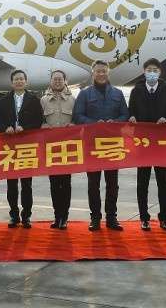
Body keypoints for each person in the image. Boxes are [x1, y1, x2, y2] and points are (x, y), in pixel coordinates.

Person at [72, 60, 129, 231]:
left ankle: (112, 217)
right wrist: (95, 123)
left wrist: (115, 122)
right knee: (93, 184)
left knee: (113, 184)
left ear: (108, 72)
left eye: (104, 71)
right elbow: (78, 116)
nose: (101, 74)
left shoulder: (118, 94)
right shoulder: (84, 94)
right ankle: (95, 218)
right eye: (98, 71)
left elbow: (125, 115)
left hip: (113, 144)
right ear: (93, 73)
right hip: (92, 144)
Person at [127, 58, 166, 231]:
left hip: (162, 143)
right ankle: (144, 218)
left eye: (155, 70)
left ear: (160, 72)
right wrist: (131, 117)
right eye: (149, 69)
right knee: (143, 182)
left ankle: (164, 218)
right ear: (144, 71)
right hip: (142, 143)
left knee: (163, 182)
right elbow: (130, 111)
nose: (152, 72)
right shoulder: (137, 90)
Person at [0, 69, 44, 228]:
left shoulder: (34, 99)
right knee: (11, 184)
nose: (19, 81)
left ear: (26, 82)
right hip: (9, 146)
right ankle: (14, 214)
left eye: (21, 79)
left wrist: (25, 128)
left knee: (26, 184)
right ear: (12, 82)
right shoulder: (3, 100)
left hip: (26, 146)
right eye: (16, 79)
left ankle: (26, 216)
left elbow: (38, 121)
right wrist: (6, 128)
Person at [41, 70, 74, 230]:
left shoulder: (73, 100)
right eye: (55, 79)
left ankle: (65, 217)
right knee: (54, 184)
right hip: (51, 149)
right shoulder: (43, 100)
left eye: (60, 79)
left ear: (65, 80)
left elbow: (78, 119)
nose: (58, 81)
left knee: (66, 183)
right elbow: (38, 121)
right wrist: (43, 126)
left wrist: (74, 126)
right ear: (51, 81)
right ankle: (57, 216)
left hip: (68, 148)